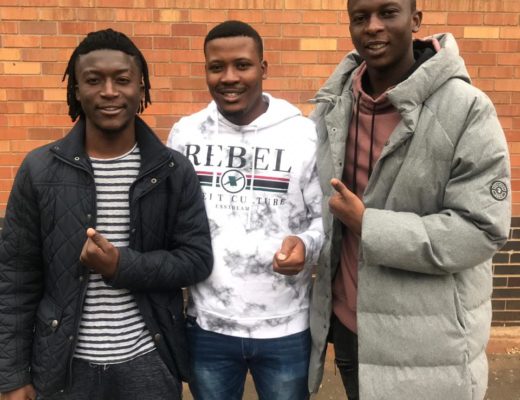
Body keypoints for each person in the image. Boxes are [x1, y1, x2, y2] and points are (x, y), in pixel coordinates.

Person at [308, 0, 511, 399]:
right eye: (360, 18)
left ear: (415, 20)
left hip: (427, 346)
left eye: (388, 13)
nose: (372, 27)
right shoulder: (334, 104)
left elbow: (482, 229)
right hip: (349, 329)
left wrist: (368, 224)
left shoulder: (467, 109)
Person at [0, 28, 213, 400]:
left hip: (148, 361)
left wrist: (121, 266)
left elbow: (196, 260)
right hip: (64, 368)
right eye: (94, 80)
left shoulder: (172, 170)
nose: (110, 91)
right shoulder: (39, 170)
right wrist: (13, 376)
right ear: (76, 90)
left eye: (123, 80)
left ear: (141, 88)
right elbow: (15, 279)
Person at [167, 20, 323, 400]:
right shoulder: (185, 135)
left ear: (263, 68)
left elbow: (325, 219)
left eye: (242, 65)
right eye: (216, 67)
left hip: (286, 327)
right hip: (208, 325)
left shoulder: (302, 135)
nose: (229, 77)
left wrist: (306, 245)